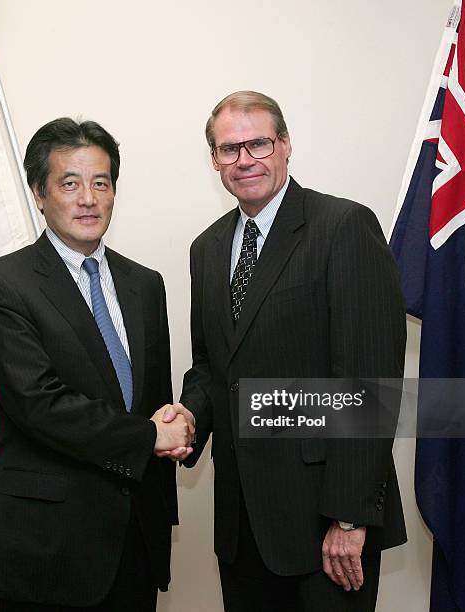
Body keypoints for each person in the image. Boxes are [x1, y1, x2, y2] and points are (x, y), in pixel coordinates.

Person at [167, 91, 407, 611]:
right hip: (241, 526)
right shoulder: (206, 249)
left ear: (285, 145)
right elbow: (213, 366)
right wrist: (188, 418)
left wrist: (348, 518)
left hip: (325, 527)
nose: (245, 159)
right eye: (229, 149)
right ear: (214, 160)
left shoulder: (343, 226)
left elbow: (369, 383)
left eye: (258, 143)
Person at [0, 118, 193, 611]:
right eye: (69, 184)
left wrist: (174, 424)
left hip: (135, 539)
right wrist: (148, 437)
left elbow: (151, 401)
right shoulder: (2, 284)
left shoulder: (145, 284)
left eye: (101, 182)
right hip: (47, 545)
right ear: (39, 194)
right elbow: (38, 403)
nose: (88, 198)